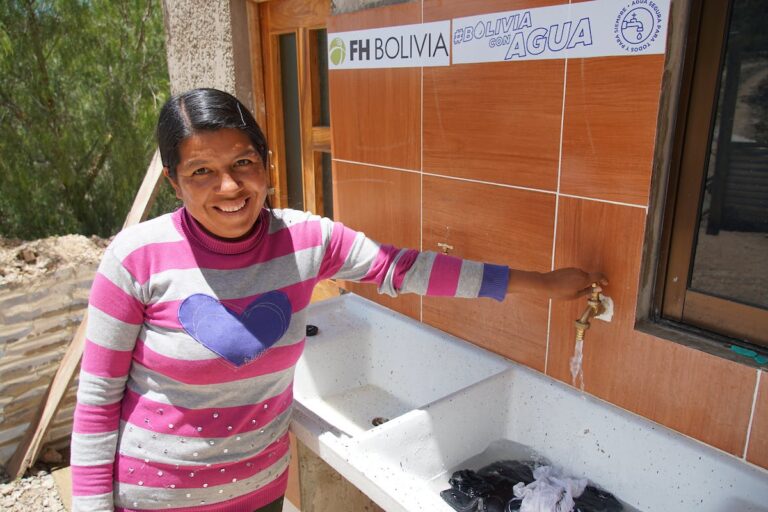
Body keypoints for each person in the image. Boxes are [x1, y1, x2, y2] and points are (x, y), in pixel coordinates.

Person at [70, 88, 606, 512]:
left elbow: (404, 269)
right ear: (173, 181)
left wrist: (538, 283)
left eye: (244, 163)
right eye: (202, 172)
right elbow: (95, 409)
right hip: (156, 498)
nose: (230, 187)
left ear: (268, 163)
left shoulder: (306, 240)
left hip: (258, 493)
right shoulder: (135, 258)